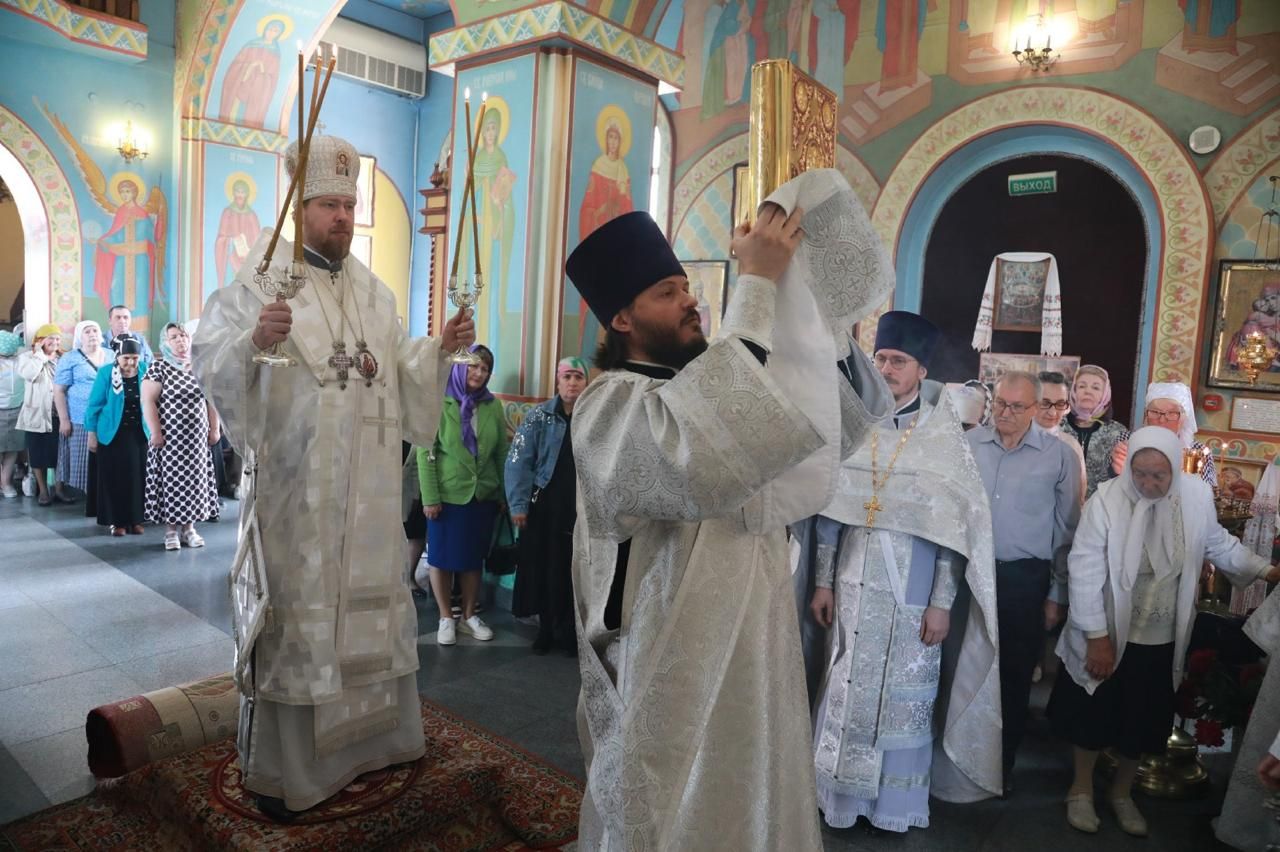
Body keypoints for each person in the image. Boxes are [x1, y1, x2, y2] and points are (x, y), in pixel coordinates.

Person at [564, 175, 893, 850]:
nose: (690, 301)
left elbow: (828, 428)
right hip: (667, 644)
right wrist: (759, 285)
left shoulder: (711, 376)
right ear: (622, 319)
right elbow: (696, 455)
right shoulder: (607, 404)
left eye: (687, 286)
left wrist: (814, 316)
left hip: (752, 623)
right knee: (674, 804)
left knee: (750, 780)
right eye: (667, 292)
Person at [192, 134, 474, 820]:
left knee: (372, 610)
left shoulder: (374, 293)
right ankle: (296, 772)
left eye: (349, 206)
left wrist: (437, 351)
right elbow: (211, 358)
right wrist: (255, 341)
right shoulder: (263, 280)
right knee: (304, 618)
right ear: (299, 209)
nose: (342, 217)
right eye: (328, 205)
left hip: (368, 499)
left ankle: (378, 745)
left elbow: (400, 371)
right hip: (300, 497)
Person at [802, 312, 1002, 832]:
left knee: (902, 693)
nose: (887, 369)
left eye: (898, 361)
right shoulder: (857, 424)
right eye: (881, 359)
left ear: (922, 370)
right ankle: (837, 796)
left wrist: (941, 603)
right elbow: (830, 512)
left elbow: (951, 534)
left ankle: (891, 806)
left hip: (912, 586)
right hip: (851, 581)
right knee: (845, 681)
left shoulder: (941, 437)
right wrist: (822, 582)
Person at [1051, 426, 1280, 837]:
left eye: (1159, 475)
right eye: (1140, 473)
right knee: (1094, 711)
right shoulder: (1106, 501)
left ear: (1175, 468)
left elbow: (1216, 543)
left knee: (1144, 718)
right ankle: (1080, 790)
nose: (1148, 483)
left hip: (1162, 635)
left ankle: (1122, 794)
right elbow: (1083, 569)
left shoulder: (1194, 497)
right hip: (1109, 628)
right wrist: (1096, 637)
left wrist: (1265, 570)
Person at [967, 371, 1082, 790]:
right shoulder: (969, 445)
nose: (1006, 413)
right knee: (964, 667)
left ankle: (1001, 766)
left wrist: (1057, 592)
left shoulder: (1059, 455)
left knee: (1013, 676)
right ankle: (958, 762)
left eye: (1017, 407)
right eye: (1000, 403)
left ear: (1035, 409)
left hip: (1024, 578)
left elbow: (1067, 529)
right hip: (969, 572)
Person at [415, 344, 507, 646]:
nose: (479, 373)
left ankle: (468, 616)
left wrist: (503, 493)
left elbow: (500, 452)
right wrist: (430, 497)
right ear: (459, 367)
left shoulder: (493, 406)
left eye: (485, 369)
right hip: (447, 495)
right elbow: (425, 453)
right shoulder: (439, 402)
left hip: (482, 495)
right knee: (441, 558)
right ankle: (445, 617)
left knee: (472, 558)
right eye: (474, 366)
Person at [506, 356, 589, 655]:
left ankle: (568, 630)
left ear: (586, 383)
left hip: (579, 507)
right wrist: (518, 505)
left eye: (578, 377)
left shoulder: (594, 417)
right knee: (543, 565)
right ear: (557, 380)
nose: (572, 383)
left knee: (572, 568)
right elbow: (518, 461)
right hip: (545, 505)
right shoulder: (538, 416)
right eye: (567, 376)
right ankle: (545, 628)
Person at [142, 323, 220, 550]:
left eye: (183, 335)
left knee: (194, 481)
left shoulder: (199, 365)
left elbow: (211, 400)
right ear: (166, 342)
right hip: (170, 439)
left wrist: (214, 428)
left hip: (196, 439)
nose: (180, 340)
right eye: (174, 337)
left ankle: (189, 530)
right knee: (172, 482)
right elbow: (148, 401)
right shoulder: (159, 367)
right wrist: (156, 432)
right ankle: (171, 531)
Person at [84, 337, 149, 536]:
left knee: (138, 477)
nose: (131, 362)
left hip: (139, 433)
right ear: (118, 356)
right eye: (126, 358)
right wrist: (91, 434)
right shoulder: (106, 373)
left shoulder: (145, 370)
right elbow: (93, 406)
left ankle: (136, 519)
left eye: (135, 358)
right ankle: (117, 521)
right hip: (112, 434)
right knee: (115, 478)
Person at [1110, 381, 1216, 487]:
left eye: (1172, 413)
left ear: (1184, 418)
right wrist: (1117, 470)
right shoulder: (1127, 440)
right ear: (1146, 415)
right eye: (1155, 412)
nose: (1161, 420)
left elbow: (1208, 492)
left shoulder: (1199, 452)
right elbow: (1107, 483)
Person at [53, 320, 111, 500]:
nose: (92, 334)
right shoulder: (70, 358)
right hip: (80, 418)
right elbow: (59, 391)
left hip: (108, 417)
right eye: (87, 331)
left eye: (95, 330)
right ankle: (91, 497)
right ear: (80, 336)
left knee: (107, 457)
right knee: (84, 460)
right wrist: (64, 420)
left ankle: (104, 495)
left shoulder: (111, 355)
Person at [1060, 364, 1127, 497]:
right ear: (1073, 392)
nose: (1088, 391)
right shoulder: (1057, 427)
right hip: (1061, 504)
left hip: (1100, 506)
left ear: (1105, 394)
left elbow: (1124, 479)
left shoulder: (1118, 432)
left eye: (1096, 387)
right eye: (1082, 386)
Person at [17, 324, 61, 505]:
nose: (55, 342)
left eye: (57, 338)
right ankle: (43, 490)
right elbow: (29, 374)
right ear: (40, 340)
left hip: (59, 413)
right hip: (37, 413)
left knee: (59, 454)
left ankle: (59, 489)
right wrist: (40, 355)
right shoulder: (27, 357)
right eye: (50, 338)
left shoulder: (63, 358)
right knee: (37, 453)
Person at [1037, 371, 1087, 506]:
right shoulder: (1014, 440)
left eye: (1060, 404)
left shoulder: (1071, 445)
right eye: (1045, 403)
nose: (1052, 412)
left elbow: (1078, 498)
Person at [0, 330, 24, 498]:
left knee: (12, 448)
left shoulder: (21, 360)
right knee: (7, 450)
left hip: (17, 410)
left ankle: (5, 483)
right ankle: (4, 484)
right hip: (6, 409)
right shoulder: (19, 360)